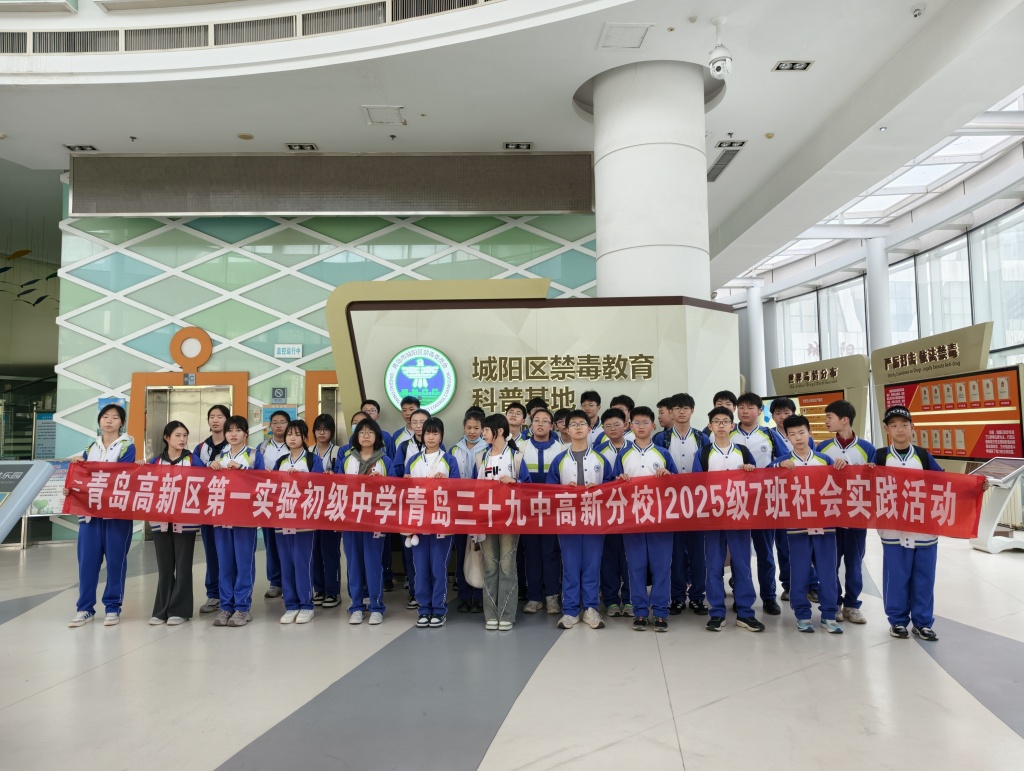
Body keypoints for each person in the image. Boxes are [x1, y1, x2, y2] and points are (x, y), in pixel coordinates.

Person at [693, 406, 763, 633]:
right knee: (713, 565)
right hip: (713, 518)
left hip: (739, 515)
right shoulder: (703, 454)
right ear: (710, 426)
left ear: (732, 426)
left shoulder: (742, 452)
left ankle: (745, 612)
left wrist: (750, 471)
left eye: (725, 421)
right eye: (717, 421)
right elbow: (696, 487)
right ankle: (716, 612)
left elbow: (756, 483)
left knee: (742, 564)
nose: (721, 425)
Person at [770, 414, 841, 634]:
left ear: (809, 433)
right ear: (787, 437)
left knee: (828, 572)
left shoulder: (825, 460)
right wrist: (778, 466)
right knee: (799, 572)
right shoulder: (782, 462)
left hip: (825, 525)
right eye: (792, 434)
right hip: (797, 526)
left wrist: (843, 466)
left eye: (801, 432)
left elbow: (843, 484)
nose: (798, 438)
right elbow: (765, 479)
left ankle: (829, 615)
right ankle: (802, 614)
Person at [67, 403, 137, 628]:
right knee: (87, 563)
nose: (109, 421)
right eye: (105, 417)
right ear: (99, 421)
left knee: (116, 562)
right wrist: (73, 483)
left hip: (116, 514)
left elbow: (120, 476)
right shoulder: (91, 447)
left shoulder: (127, 446)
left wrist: (90, 474)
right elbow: (83, 476)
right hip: (90, 515)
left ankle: (113, 607)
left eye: (115, 417)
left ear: (122, 422)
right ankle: (85, 608)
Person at [612, 406, 678, 632]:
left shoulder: (663, 453)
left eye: (645, 422)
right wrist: (619, 479)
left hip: (661, 519)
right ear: (630, 426)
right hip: (632, 520)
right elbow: (612, 486)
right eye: (637, 423)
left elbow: (678, 486)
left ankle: (660, 611)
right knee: (636, 566)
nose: (641, 426)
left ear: (653, 426)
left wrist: (669, 476)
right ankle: (640, 611)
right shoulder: (623, 455)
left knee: (662, 566)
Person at [548, 409, 614, 630]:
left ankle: (591, 608)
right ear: (567, 429)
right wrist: (563, 490)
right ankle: (570, 610)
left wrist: (601, 488)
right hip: (568, 519)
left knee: (592, 564)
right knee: (570, 565)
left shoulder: (600, 459)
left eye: (581, 424)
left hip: (594, 519)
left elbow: (612, 489)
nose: (577, 428)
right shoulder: (559, 460)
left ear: (589, 428)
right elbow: (549, 491)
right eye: (573, 424)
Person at [818, 399, 875, 625]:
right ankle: (834, 604)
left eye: (829, 417)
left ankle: (852, 605)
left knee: (854, 563)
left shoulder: (867, 449)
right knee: (830, 563)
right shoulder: (822, 447)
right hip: (830, 515)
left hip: (856, 516)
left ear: (844, 420)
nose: (826, 421)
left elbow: (876, 482)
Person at [472, 413, 531, 631]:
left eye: (486, 430)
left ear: (499, 431)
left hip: (509, 519)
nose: (482, 433)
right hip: (486, 518)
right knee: (489, 566)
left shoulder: (516, 457)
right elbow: (473, 488)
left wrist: (515, 482)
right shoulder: (481, 457)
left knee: (507, 566)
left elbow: (529, 487)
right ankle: (491, 614)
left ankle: (506, 614)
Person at [336, 417, 395, 626]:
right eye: (362, 432)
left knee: (373, 563)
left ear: (377, 436)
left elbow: (394, 491)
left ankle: (377, 607)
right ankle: (356, 606)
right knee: (353, 564)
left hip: (374, 521)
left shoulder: (385, 461)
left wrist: (380, 483)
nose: (366, 435)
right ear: (356, 436)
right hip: (351, 519)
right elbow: (336, 487)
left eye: (370, 432)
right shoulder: (346, 460)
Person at [731, 392, 785, 617]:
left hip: (764, 501)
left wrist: (768, 471)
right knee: (739, 555)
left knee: (765, 553)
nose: (745, 411)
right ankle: (741, 596)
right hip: (736, 502)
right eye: (741, 407)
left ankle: (769, 597)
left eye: (750, 407)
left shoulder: (769, 435)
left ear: (759, 411)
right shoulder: (728, 433)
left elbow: (785, 459)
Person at [405, 417, 461, 628]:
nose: (430, 437)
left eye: (435, 433)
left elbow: (458, 490)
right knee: (420, 568)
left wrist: (447, 483)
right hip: (418, 522)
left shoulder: (449, 460)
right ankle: (423, 609)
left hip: (441, 522)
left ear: (441, 436)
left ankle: (438, 609)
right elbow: (405, 493)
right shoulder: (413, 461)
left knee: (438, 567)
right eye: (428, 432)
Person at [208, 415, 259, 627]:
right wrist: (210, 469)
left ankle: (242, 608)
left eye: (238, 430)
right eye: (230, 430)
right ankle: (226, 606)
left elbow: (262, 481)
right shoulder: (219, 456)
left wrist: (243, 470)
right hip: (222, 515)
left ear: (246, 433)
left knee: (244, 562)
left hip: (245, 517)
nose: (233, 434)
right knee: (225, 563)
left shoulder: (254, 455)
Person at [148, 421, 200, 626]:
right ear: (166, 437)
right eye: (178, 435)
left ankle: (180, 610)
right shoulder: (155, 462)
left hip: (185, 521)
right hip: (160, 520)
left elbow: (206, 484)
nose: (182, 439)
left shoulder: (193, 460)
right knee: (164, 567)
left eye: (185, 435)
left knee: (183, 566)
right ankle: (161, 610)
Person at [272, 419, 324, 625]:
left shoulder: (312, 460)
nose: (292, 438)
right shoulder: (281, 461)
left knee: (302, 563)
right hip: (283, 518)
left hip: (304, 520)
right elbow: (272, 487)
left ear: (304, 437)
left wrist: (302, 478)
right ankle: (291, 605)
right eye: (289, 434)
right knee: (286, 563)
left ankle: (306, 605)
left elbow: (319, 485)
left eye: (296, 434)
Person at [663, 393, 710, 616]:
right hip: (670, 503)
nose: (681, 412)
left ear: (692, 411)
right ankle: (677, 596)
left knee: (698, 552)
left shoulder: (702, 438)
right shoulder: (661, 439)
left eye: (685, 408)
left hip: (697, 503)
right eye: (677, 408)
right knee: (675, 553)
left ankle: (698, 596)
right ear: (671, 412)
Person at [767, 397, 816, 605]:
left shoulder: (807, 438)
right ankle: (788, 584)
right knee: (784, 544)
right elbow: (770, 467)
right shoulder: (769, 435)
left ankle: (812, 586)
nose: (782, 416)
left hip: (805, 497)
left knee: (810, 544)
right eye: (778, 413)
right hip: (782, 496)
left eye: (786, 412)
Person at [520, 407, 565, 616]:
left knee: (551, 553)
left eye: (545, 421)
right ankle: (534, 597)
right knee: (531, 553)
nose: (540, 424)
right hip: (527, 510)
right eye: (536, 420)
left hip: (552, 511)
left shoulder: (561, 449)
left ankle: (552, 597)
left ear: (552, 426)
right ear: (531, 425)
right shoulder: (520, 448)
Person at [192, 404, 230, 614]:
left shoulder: (234, 445)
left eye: (220, 416)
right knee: (212, 552)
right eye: (212, 416)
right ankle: (213, 594)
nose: (215, 420)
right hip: (207, 507)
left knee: (229, 553)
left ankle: (230, 595)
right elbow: (194, 472)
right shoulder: (200, 448)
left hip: (229, 507)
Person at [393, 407, 431, 608]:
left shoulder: (438, 445)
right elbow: (396, 472)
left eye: (422, 422)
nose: (418, 426)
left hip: (431, 504)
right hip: (409, 503)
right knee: (411, 548)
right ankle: (415, 592)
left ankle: (430, 591)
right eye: (415, 422)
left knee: (430, 549)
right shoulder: (404, 446)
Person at [594, 408, 631, 617]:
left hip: (632, 513)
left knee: (630, 557)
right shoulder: (597, 452)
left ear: (625, 425)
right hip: (606, 512)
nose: (612, 429)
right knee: (608, 557)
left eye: (616, 424)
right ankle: (610, 601)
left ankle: (630, 599)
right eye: (608, 426)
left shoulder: (635, 449)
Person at [451, 408, 486, 613]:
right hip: (459, 508)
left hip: (481, 507)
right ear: (463, 427)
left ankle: (479, 596)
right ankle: (463, 595)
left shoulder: (488, 450)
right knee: (461, 551)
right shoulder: (454, 450)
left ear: (482, 429)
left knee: (479, 551)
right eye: (468, 427)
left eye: (476, 428)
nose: (472, 431)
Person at [253, 409, 290, 599]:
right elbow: (255, 471)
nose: (278, 425)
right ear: (270, 426)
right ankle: (275, 582)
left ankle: (289, 582)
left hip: (288, 500)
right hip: (267, 500)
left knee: (288, 542)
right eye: (274, 422)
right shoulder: (262, 447)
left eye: (282, 422)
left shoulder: (294, 444)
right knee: (271, 542)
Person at [309, 413, 342, 610]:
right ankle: (319, 589)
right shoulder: (308, 451)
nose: (322, 433)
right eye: (318, 429)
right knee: (313, 550)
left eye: (326, 429)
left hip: (331, 507)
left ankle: (332, 591)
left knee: (330, 550)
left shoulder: (338, 451)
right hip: (311, 507)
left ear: (332, 432)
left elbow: (343, 477)